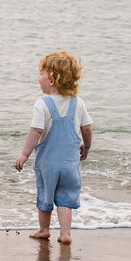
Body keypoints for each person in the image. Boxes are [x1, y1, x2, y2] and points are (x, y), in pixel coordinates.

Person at [14, 51, 93, 244]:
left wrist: (24, 154)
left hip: (48, 164)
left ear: (51, 80)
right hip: (70, 164)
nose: (38, 78)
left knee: (45, 196)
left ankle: (43, 229)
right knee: (65, 197)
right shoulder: (78, 102)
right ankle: (65, 234)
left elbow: (35, 131)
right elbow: (87, 128)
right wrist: (87, 147)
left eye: (40, 74)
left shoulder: (43, 104)